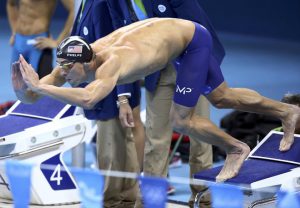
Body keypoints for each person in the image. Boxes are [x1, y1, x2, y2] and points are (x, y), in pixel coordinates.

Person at [13, 18, 300, 183]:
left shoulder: (111, 62)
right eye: (60, 68)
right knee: (223, 98)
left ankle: (236, 148)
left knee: (180, 120)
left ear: (86, 63)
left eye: (66, 69)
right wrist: (24, 89)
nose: (62, 73)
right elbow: (34, 95)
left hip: (190, 42)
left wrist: (43, 88)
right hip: (175, 36)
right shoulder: (77, 57)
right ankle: (287, 111)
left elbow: (89, 98)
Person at [106, 1, 223, 205]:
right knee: (156, 140)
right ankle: (151, 201)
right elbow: (118, 48)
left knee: (200, 139)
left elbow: (202, 31)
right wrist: (122, 94)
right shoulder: (116, 2)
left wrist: (204, 74)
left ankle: (203, 199)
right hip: (156, 72)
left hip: (193, 67)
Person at [6, 0, 74, 77]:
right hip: (19, 41)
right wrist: (14, 31)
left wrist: (58, 42)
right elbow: (11, 4)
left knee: (42, 85)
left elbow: (74, 9)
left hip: (39, 44)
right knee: (18, 84)